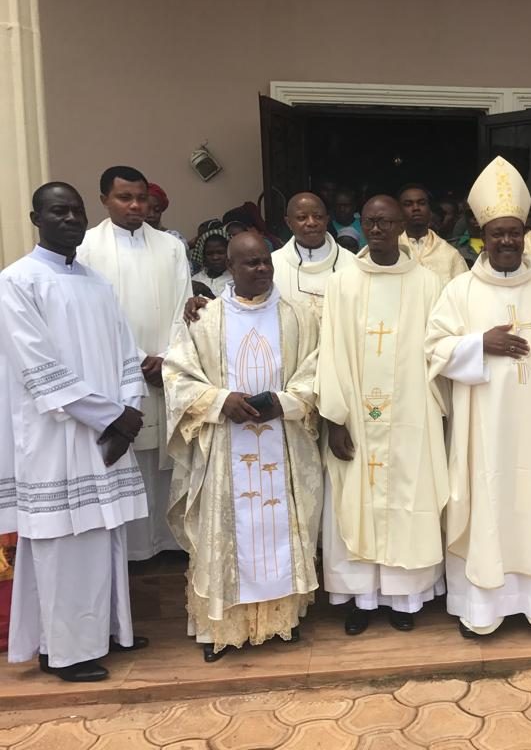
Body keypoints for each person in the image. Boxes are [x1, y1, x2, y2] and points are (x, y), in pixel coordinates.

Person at [424, 156, 531, 637]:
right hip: (483, 433)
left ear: (526, 233)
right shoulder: (460, 291)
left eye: (515, 232)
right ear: (483, 236)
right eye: (498, 233)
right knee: (489, 503)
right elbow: (433, 350)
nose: (508, 241)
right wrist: (479, 344)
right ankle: (482, 612)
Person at [1, 182, 149, 682]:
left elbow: (127, 351)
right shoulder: (17, 282)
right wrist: (112, 417)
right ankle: (63, 651)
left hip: (107, 436)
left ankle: (109, 632)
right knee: (65, 544)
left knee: (105, 536)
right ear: (35, 217)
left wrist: (129, 409)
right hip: (56, 439)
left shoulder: (96, 282)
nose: (70, 219)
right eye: (58, 211)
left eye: (76, 211)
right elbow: (37, 368)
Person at [163, 232, 321, 662]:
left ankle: (279, 622)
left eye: (266, 261)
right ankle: (222, 628)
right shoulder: (205, 318)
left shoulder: (299, 314)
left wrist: (284, 403)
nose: (262, 269)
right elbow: (176, 376)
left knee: (281, 533)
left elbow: (317, 369)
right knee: (224, 536)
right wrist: (219, 401)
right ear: (230, 268)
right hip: (224, 449)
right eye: (250, 263)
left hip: (282, 441)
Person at [317, 196, 448, 635]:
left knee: (407, 498)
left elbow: (440, 350)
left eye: (385, 222)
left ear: (400, 227)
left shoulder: (428, 284)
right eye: (370, 221)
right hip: (354, 415)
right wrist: (334, 418)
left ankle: (404, 598)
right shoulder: (342, 283)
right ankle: (361, 599)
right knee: (356, 499)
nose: (377, 229)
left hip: (412, 416)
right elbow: (329, 353)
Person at [77, 166, 191, 562]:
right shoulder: (86, 248)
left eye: (141, 198)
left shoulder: (170, 247)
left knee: (166, 457)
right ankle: (132, 549)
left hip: (165, 370)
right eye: (125, 198)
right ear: (105, 199)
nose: (135, 205)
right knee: (127, 456)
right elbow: (90, 315)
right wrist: (136, 361)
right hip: (115, 373)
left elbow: (183, 307)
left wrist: (168, 357)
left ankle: (169, 540)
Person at [271, 192, 356, 319]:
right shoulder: (273, 264)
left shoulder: (351, 263)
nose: (311, 223)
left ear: (327, 220)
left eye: (318, 217)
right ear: (288, 223)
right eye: (302, 218)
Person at [397, 184, 468, 285]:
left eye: (421, 203)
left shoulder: (450, 254)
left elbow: (461, 293)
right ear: (399, 211)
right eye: (408, 204)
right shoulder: (390, 250)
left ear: (430, 210)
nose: (416, 208)